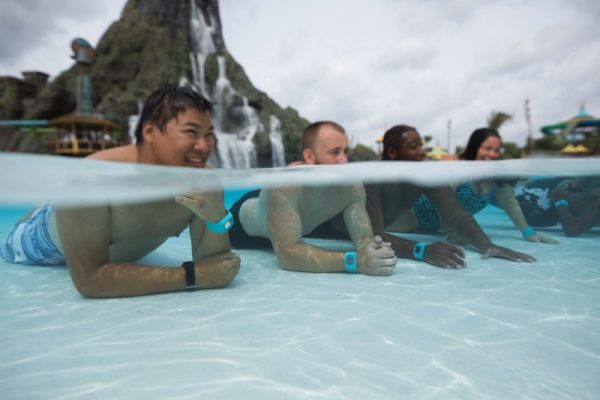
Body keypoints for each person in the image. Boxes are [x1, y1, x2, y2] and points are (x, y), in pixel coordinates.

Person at [0, 85, 240, 298]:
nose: (204, 146)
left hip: (85, 220)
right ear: (149, 133)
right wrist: (191, 276)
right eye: (191, 133)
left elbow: (217, 266)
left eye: (209, 135)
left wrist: (217, 217)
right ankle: (42, 210)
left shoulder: (204, 181)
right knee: (9, 244)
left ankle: (50, 203)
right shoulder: (90, 179)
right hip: (46, 240)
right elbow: (90, 281)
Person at [345, 124, 536, 269]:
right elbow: (372, 234)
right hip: (333, 230)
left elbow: (455, 212)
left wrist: (487, 245)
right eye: (414, 146)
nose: (422, 151)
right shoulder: (372, 177)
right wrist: (422, 250)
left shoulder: (425, 174)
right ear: (393, 152)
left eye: (421, 145)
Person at [229, 121, 397, 275]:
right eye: (334, 152)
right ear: (309, 157)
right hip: (245, 230)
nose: (344, 160)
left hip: (296, 218)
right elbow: (287, 255)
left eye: (345, 151)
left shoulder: (352, 186)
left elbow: (364, 240)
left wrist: (375, 252)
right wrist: (355, 262)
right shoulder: (283, 185)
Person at [410, 127, 559, 244]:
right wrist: (451, 233)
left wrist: (528, 233)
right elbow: (442, 199)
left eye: (496, 150)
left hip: (435, 229)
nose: (493, 154)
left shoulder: (496, 178)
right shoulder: (459, 171)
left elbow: (511, 204)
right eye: (487, 148)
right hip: (412, 217)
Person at [511, 177, 600, 237]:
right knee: (509, 190)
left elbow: (573, 230)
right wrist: (574, 181)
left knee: (508, 193)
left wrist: (560, 202)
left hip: (553, 209)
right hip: (557, 196)